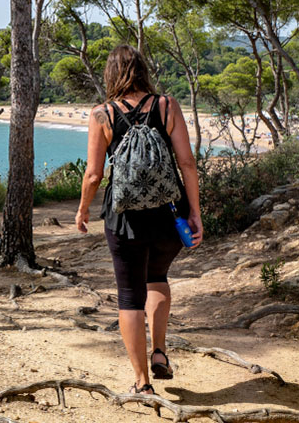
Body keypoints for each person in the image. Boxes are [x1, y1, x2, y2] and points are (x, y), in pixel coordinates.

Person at [75, 45, 203, 396]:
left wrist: (84, 209)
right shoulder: (167, 106)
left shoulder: (102, 114)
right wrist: (195, 212)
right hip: (169, 212)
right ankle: (159, 352)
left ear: (111, 75)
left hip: (124, 218)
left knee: (130, 296)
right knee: (158, 278)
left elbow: (93, 174)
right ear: (142, 70)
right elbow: (187, 164)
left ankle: (142, 382)